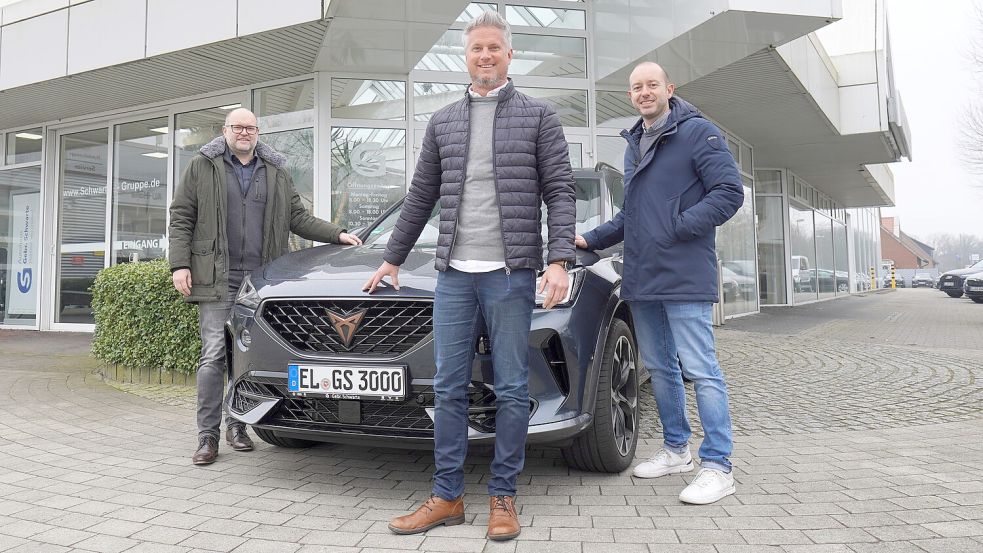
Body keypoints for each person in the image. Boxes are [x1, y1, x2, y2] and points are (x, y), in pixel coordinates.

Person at [362, 10, 575, 541]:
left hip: (510, 275)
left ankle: (503, 498)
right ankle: (447, 497)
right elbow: (420, 198)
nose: (485, 56)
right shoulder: (443, 121)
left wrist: (558, 260)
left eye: (494, 48)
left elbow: (560, 193)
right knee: (449, 387)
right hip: (454, 275)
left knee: (508, 387)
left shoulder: (539, 117)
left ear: (509, 55)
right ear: (466, 55)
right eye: (476, 48)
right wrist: (392, 256)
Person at [576, 62, 744, 505]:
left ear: (669, 89)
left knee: (701, 369)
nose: (644, 92)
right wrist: (589, 238)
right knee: (661, 367)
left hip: (685, 272)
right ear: (631, 96)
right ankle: (676, 450)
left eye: (652, 85)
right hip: (644, 276)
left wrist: (678, 225)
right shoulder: (635, 143)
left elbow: (729, 192)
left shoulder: (697, 132)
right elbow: (632, 215)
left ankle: (719, 466)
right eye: (637, 87)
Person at [168, 108, 361, 466]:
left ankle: (237, 425)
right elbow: (182, 217)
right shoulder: (203, 166)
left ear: (258, 132)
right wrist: (180, 264)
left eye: (251, 128)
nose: (244, 132)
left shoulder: (275, 171)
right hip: (217, 277)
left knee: (245, 359)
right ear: (225, 130)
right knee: (213, 356)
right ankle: (207, 437)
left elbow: (298, 218)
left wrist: (337, 234)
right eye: (238, 127)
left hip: (260, 282)